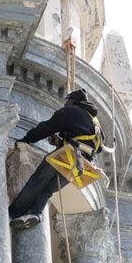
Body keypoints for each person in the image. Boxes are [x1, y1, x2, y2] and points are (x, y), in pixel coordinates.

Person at [9, 88, 104, 229]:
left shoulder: (71, 111)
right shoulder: (96, 124)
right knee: (48, 190)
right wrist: (61, 141)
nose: (65, 104)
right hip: (81, 166)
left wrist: (26, 140)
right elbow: (96, 147)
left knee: (37, 181)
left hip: (68, 155)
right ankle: (35, 213)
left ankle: (13, 213)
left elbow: (47, 127)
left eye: (67, 101)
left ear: (72, 100)